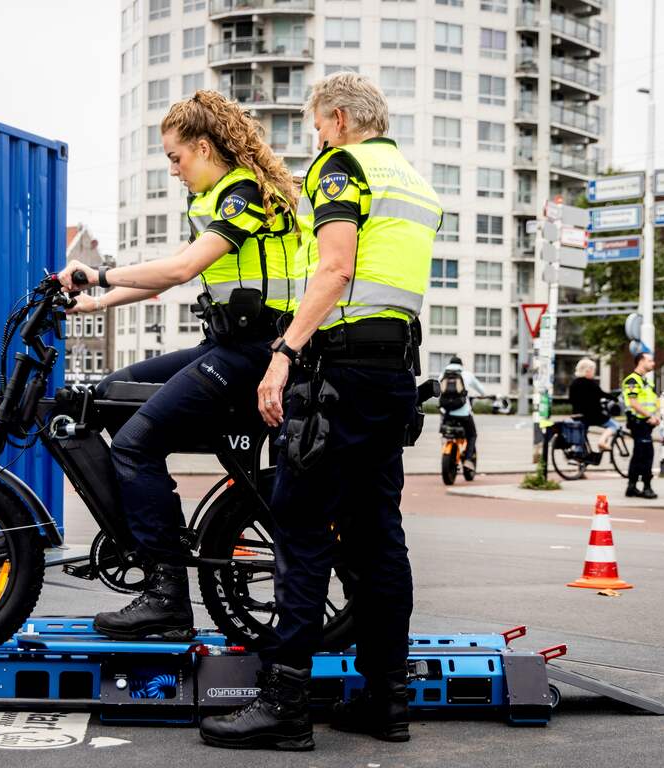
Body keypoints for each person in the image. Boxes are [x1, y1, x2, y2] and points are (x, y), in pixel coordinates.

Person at [200, 73, 441, 751]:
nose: (316, 139)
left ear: (337, 119)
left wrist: (283, 351)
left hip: (334, 375)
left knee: (302, 531)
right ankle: (385, 701)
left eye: (316, 126)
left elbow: (334, 270)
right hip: (391, 375)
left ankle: (285, 706)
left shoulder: (343, 167)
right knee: (377, 539)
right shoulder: (414, 181)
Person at [57, 90, 300, 641]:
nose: (173, 169)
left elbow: (181, 269)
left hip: (252, 353)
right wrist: (93, 303)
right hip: (224, 345)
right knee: (113, 392)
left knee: (135, 443)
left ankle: (165, 592)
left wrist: (98, 276)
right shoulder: (217, 196)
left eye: (175, 157)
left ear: (205, 146)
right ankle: (153, 533)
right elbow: (168, 278)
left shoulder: (241, 193)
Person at [438, 355, 485, 472]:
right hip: (463, 413)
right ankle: (468, 460)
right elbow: (482, 390)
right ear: (461, 365)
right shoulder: (467, 374)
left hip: (446, 412)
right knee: (472, 435)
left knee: (445, 431)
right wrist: (482, 395)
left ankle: (446, 441)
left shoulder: (442, 375)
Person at [622, 352, 659, 499]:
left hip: (645, 423)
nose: (653, 363)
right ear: (641, 361)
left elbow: (652, 401)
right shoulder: (632, 380)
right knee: (646, 454)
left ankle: (631, 487)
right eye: (650, 360)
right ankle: (646, 487)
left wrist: (656, 416)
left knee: (639, 455)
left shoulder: (646, 382)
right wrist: (650, 416)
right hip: (639, 423)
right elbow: (633, 403)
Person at [568, 358, 620, 452]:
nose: (593, 373)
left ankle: (580, 460)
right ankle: (602, 441)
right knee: (615, 425)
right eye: (593, 370)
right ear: (587, 371)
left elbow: (571, 400)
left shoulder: (573, 383)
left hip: (577, 416)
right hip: (593, 416)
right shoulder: (591, 384)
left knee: (581, 438)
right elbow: (601, 394)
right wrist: (615, 398)